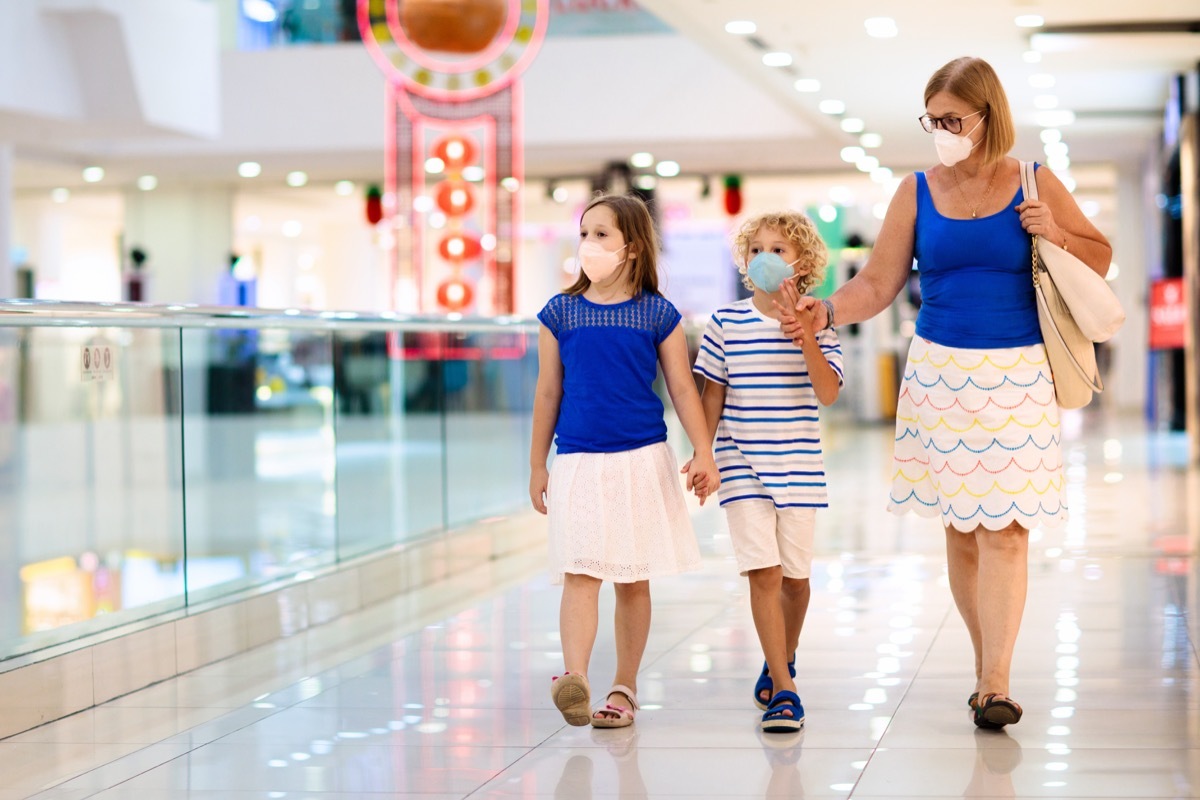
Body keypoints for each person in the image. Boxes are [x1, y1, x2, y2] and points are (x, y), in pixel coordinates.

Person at [783, 56, 1112, 730]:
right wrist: (825, 311)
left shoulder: (1032, 180)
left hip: (1020, 374)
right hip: (939, 374)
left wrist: (1053, 230)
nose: (942, 131)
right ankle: (982, 662)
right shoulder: (916, 191)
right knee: (963, 530)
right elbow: (877, 283)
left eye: (953, 120)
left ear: (989, 116)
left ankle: (996, 680)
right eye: (932, 120)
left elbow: (1098, 254)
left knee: (1008, 530)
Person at [530, 193, 721, 729]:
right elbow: (548, 393)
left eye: (601, 234)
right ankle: (576, 677)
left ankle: (624, 687)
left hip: (641, 458)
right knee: (580, 572)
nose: (587, 243)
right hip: (578, 461)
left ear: (631, 247)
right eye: (584, 232)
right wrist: (536, 465)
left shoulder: (658, 314)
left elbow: (683, 390)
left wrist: (703, 451)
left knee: (633, 580)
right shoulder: (559, 312)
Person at [690, 211, 843, 733]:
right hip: (741, 463)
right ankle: (784, 688)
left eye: (778, 248)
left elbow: (827, 393)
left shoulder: (819, 321)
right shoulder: (725, 323)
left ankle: (784, 657)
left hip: (798, 463)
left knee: (796, 582)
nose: (765, 258)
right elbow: (713, 393)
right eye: (756, 249)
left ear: (802, 262)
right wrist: (703, 455)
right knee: (764, 573)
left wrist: (805, 337)